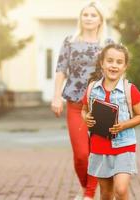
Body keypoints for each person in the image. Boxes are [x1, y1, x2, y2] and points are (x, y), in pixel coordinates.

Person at [51, 1, 109, 199]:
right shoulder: (70, 41)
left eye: (93, 15)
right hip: (75, 105)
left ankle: (89, 194)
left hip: (100, 105)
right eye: (86, 14)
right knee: (81, 155)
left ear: (100, 19)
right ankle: (87, 188)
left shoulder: (107, 44)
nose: (89, 18)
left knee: (97, 152)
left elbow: (115, 72)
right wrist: (56, 96)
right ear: (81, 18)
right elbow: (60, 70)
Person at [81, 43, 140, 200]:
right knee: (105, 193)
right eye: (110, 61)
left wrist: (123, 125)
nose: (114, 65)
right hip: (99, 146)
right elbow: (84, 110)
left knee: (121, 190)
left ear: (124, 67)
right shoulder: (92, 88)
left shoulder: (130, 90)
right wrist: (86, 118)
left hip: (124, 146)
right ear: (102, 63)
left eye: (119, 62)